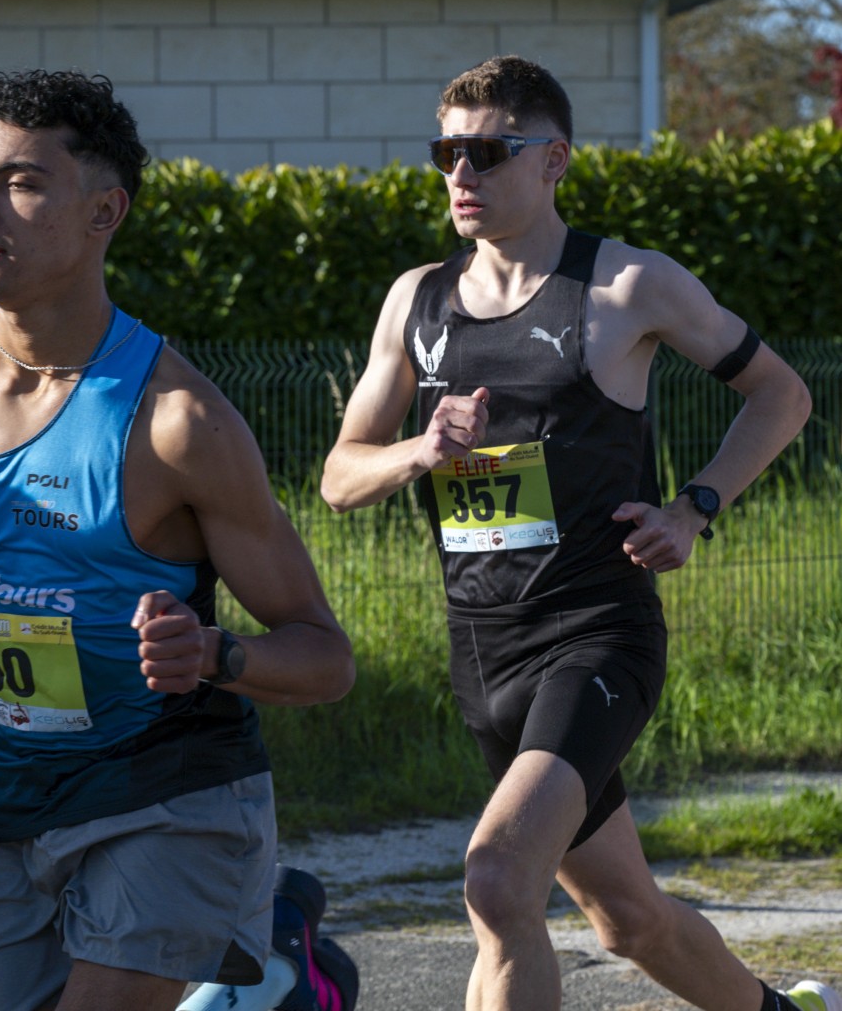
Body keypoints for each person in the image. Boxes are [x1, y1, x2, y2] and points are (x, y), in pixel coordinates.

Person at [319, 56, 834, 1011]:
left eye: (486, 153)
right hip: (482, 652)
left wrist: (695, 506)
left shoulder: (627, 284)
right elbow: (339, 478)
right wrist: (419, 452)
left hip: (595, 637)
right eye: (445, 153)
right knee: (626, 919)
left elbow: (782, 394)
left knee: (497, 881)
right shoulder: (415, 299)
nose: (460, 175)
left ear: (553, 159)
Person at [0, 69, 356, 1011]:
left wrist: (214, 653)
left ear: (104, 211)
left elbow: (325, 658)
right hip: (14, 805)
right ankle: (285, 973)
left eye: (21, 182)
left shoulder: (176, 424)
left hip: (164, 792)